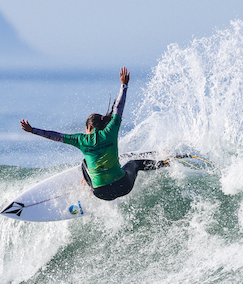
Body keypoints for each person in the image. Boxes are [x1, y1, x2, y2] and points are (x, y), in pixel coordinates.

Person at [20, 67, 168, 201]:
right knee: (134, 163)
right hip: (123, 186)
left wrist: (32, 130)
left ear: (88, 127)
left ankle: (87, 187)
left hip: (101, 192)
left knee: (84, 163)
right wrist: (124, 85)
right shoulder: (110, 131)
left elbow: (54, 135)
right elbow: (119, 107)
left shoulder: (81, 140)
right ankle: (164, 162)